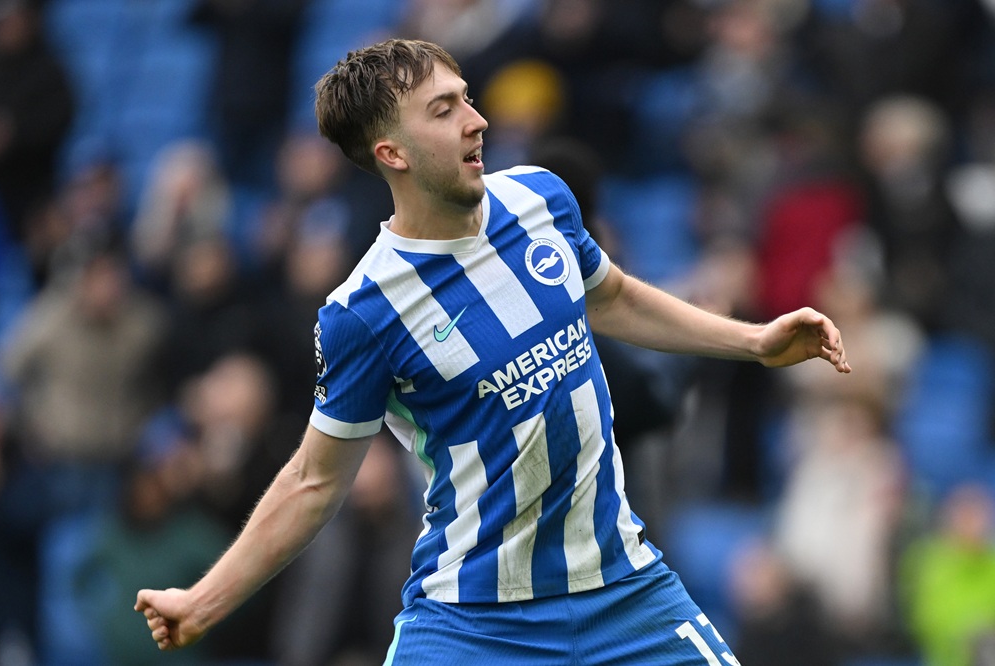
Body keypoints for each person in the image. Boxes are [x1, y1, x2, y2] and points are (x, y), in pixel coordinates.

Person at [134, 38, 851, 663]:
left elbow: (612, 296)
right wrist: (201, 601)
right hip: (476, 622)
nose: (477, 120)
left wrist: (753, 342)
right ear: (393, 153)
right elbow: (314, 483)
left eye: (467, 99)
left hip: (626, 593)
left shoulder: (541, 199)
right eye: (444, 111)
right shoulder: (364, 313)